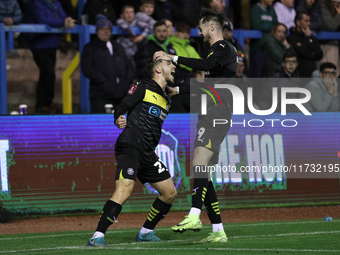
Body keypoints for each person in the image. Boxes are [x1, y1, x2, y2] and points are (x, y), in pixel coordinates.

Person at [154, 8, 238, 243]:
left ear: (212, 27)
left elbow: (205, 65)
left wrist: (173, 58)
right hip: (213, 112)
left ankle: (194, 213)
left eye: (201, 26)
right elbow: (210, 86)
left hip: (217, 113)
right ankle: (218, 231)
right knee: (206, 174)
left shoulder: (221, 48)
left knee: (199, 164)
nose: (198, 31)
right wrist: (179, 90)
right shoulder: (220, 53)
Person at [87, 58, 177, 247]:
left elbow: (186, 90)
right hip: (130, 145)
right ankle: (97, 236)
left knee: (169, 192)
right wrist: (118, 118)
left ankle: (146, 232)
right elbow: (123, 105)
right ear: (158, 69)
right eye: (169, 64)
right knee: (124, 189)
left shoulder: (166, 99)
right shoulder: (142, 86)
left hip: (148, 152)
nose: (174, 67)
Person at [28, 0, 75, 114]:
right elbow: (42, 20)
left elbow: (63, 16)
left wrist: (66, 20)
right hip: (39, 44)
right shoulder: (37, 4)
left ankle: (43, 104)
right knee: (49, 73)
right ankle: (46, 103)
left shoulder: (56, 3)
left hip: (52, 43)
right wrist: (62, 22)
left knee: (46, 74)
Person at [81, 14, 134, 113]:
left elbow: (128, 65)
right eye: (102, 29)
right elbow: (87, 69)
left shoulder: (118, 47)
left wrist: (127, 82)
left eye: (108, 29)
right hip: (101, 95)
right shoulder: (90, 48)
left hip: (121, 95)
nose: (106, 31)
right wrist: (104, 82)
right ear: (97, 31)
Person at [286, 12, 323, 77]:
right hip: (299, 74)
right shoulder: (291, 38)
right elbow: (301, 53)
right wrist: (307, 38)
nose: (309, 23)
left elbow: (319, 54)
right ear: (298, 22)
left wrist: (307, 54)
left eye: (309, 21)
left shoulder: (311, 37)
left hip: (312, 73)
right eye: (306, 21)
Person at [249, 0, 278, 77]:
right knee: (257, 76)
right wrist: (271, 29)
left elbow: (276, 25)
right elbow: (256, 25)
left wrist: (269, 28)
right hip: (257, 48)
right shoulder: (255, 9)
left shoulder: (271, 10)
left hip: (270, 48)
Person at [318, 0, 340, 76]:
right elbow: (331, 26)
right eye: (337, 2)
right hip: (327, 44)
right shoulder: (323, 9)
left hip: (335, 45)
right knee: (328, 72)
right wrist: (339, 15)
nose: (338, 5)